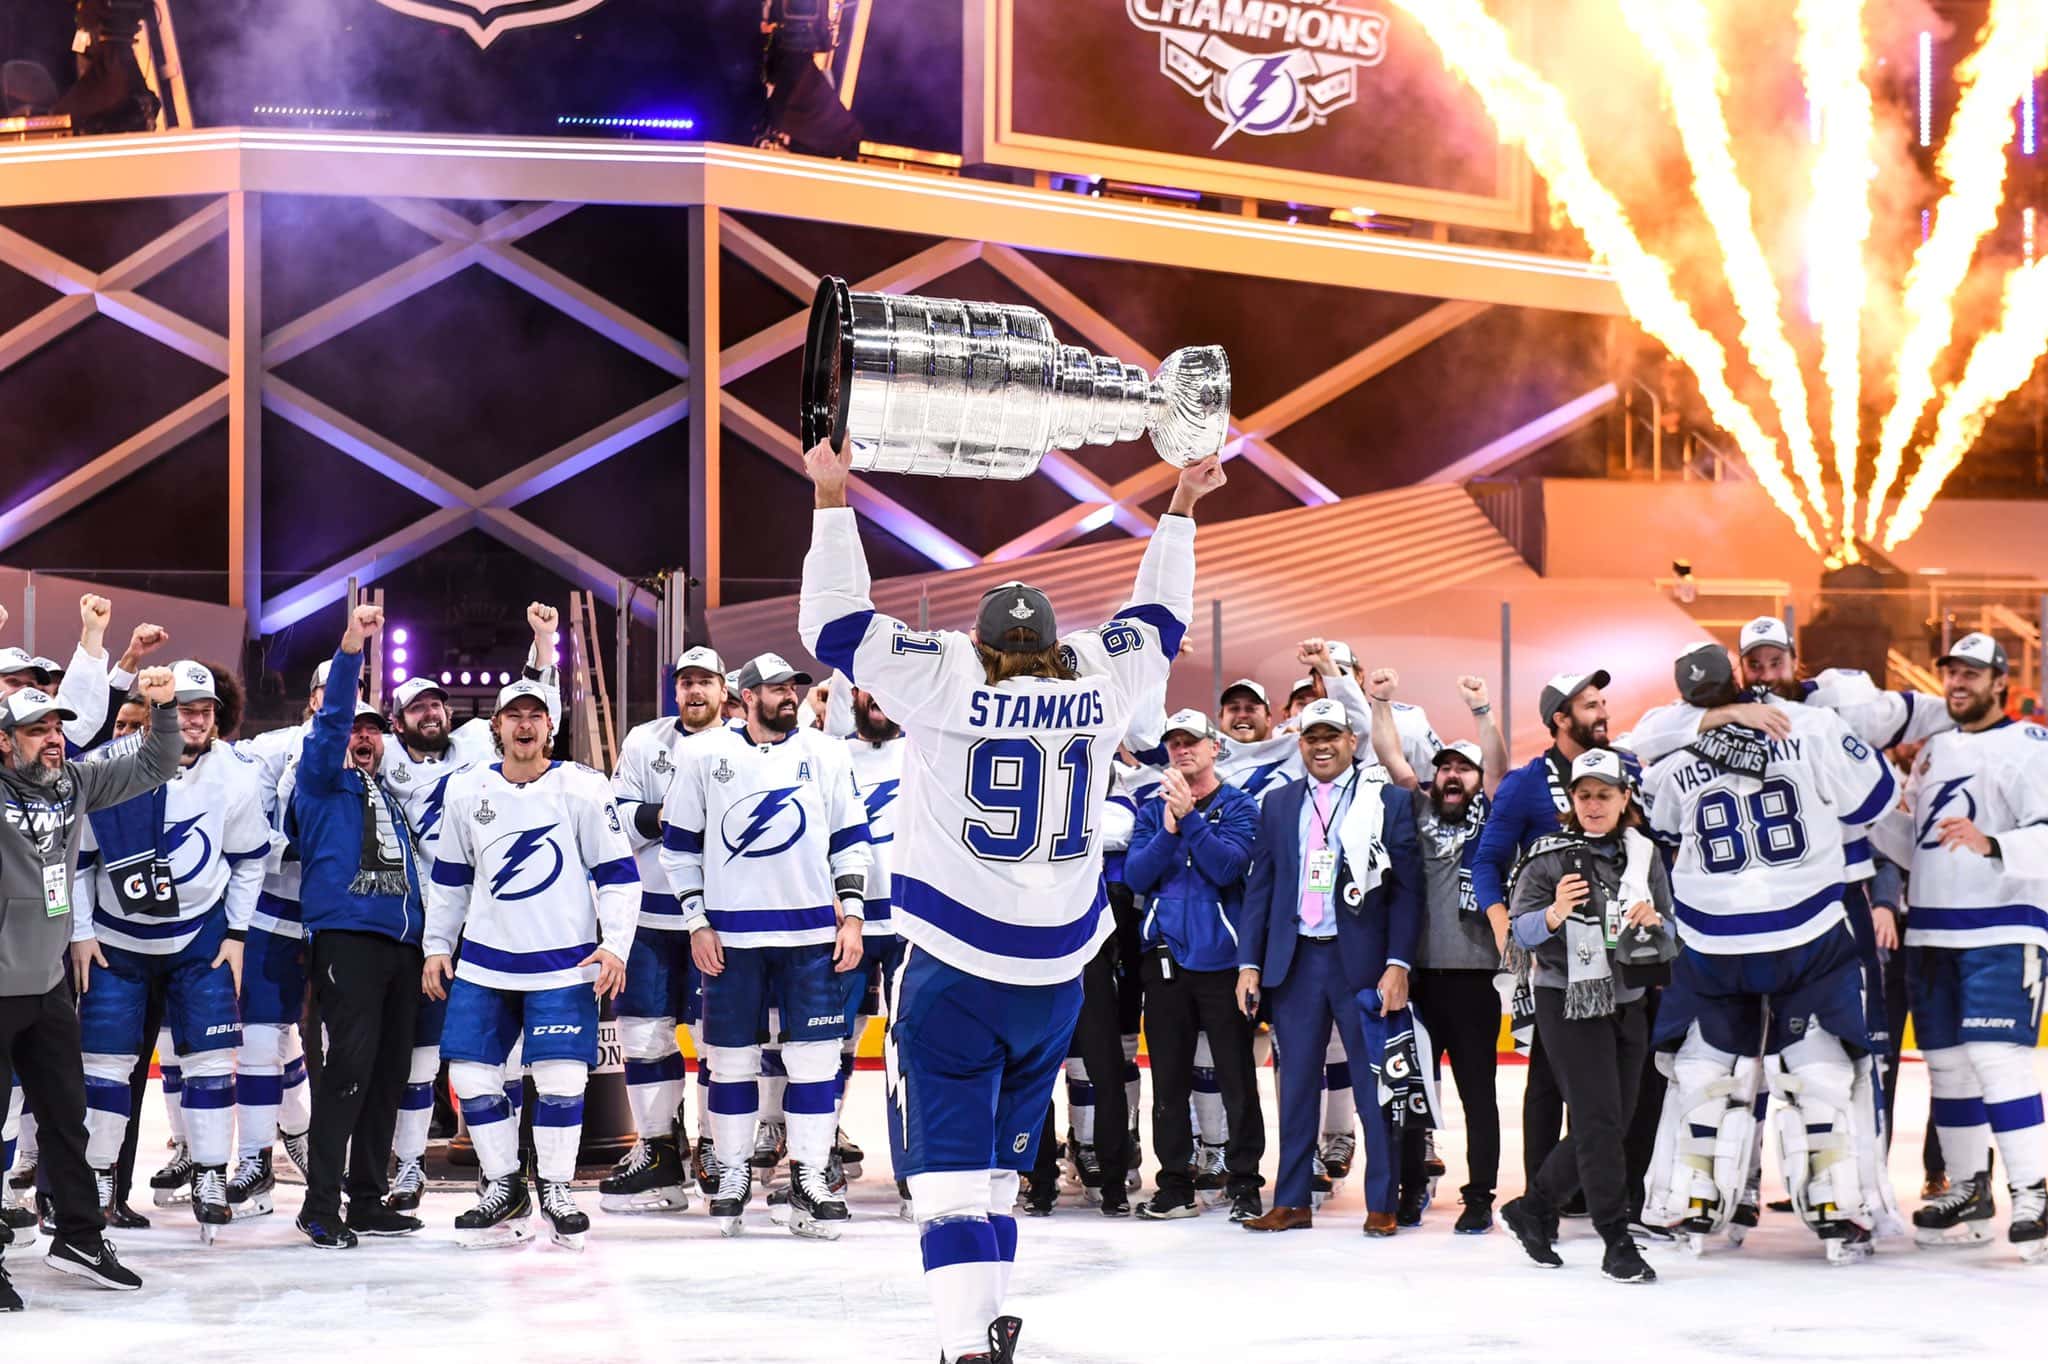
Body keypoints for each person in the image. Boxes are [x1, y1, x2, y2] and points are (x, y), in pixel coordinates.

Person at [800, 437, 1222, 1364]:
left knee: (946, 1180)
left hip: (957, 963)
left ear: (986, 642)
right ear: (1054, 644)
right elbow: (1160, 615)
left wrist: (832, 494)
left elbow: (833, 625)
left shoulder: (949, 672)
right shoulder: (1101, 678)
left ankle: (962, 1346)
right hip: (1057, 975)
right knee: (996, 1173)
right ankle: (989, 1323)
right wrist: (1182, 504)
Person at [1639, 642, 1898, 1263]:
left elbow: (1665, 826)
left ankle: (1695, 1202)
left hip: (1710, 935)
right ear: (1739, 676)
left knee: (1706, 1076)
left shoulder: (1671, 749)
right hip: (1806, 926)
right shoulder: (1810, 724)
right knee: (1820, 1076)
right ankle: (1839, 1207)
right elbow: (1875, 801)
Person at [657, 651, 870, 1240]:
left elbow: (851, 843)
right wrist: (696, 921)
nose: (788, 697)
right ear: (745, 698)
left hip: (810, 937)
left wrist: (851, 915)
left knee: (815, 1061)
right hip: (730, 937)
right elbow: (678, 849)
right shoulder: (703, 754)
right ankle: (729, 1172)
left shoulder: (826, 752)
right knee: (728, 1061)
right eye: (775, 689)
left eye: (792, 688)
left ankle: (808, 1173)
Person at [424, 678, 638, 1251]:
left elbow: (619, 876)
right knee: (470, 1078)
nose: (524, 725)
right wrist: (436, 945)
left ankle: (558, 1188)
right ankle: (505, 1185)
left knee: (563, 1080)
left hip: (564, 964)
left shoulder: (583, 790)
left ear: (551, 725)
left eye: (535, 715)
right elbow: (449, 880)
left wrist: (615, 944)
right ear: (496, 726)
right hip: (486, 963)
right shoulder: (467, 791)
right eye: (513, 715)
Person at [71, 660, 272, 1243]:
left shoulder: (236, 773)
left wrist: (236, 933)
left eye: (206, 710)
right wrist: (81, 931)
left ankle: (210, 1174)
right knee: (104, 1067)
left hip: (198, 937)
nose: (197, 719)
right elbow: (77, 862)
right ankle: (100, 1180)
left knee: (211, 1066)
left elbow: (249, 858)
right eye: (185, 709)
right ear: (163, 712)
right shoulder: (109, 766)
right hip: (115, 938)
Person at [0, 669, 178, 1310]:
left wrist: (161, 707)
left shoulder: (75, 783)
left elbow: (157, 763)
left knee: (65, 1120)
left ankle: (78, 1235)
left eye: (56, 729)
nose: (53, 740)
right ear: (3, 741)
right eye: (36, 731)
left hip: (46, 983)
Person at [1870, 633, 2047, 1263]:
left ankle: (2035, 1190)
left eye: (1972, 673)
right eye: (1951, 673)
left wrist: (1992, 843)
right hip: (1934, 928)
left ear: (2000, 681)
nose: (1958, 683)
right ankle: (1971, 1189)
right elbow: (1910, 839)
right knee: (1945, 1065)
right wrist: (1867, 810)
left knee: (1998, 1058)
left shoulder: (2032, 745)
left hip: (2004, 924)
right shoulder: (1934, 750)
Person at [379, 603, 563, 1209]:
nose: (429, 712)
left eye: (435, 703)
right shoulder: (383, 758)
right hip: (421, 924)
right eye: (416, 706)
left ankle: (498, 1169)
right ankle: (407, 1165)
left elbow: (532, 704)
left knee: (500, 1057)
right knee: (422, 1059)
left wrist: (541, 640)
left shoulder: (475, 752)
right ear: (396, 720)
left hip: (484, 921)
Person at [1235, 698, 1422, 1236]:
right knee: (1295, 1089)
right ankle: (1292, 1199)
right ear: (1300, 744)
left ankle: (1382, 1201)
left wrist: (1398, 963)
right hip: (1296, 964)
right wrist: (1250, 964)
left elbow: (1408, 893)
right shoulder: (1279, 803)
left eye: (1332, 736)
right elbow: (1261, 892)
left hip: (1360, 964)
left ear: (1352, 742)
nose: (1321, 746)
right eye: (1312, 737)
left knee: (1373, 1088)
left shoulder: (1384, 800)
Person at [1501, 748, 1674, 1283]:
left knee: (1614, 1122)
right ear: (1571, 801)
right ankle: (1616, 1240)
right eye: (1584, 795)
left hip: (1628, 1000)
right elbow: (1517, 934)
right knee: (1598, 1120)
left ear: (1625, 798)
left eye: (1605, 794)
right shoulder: (1547, 855)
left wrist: (1653, 924)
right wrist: (1552, 913)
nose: (1594, 804)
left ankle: (1535, 1206)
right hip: (1567, 997)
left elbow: (1673, 932)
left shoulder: (1644, 855)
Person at [288, 605, 430, 1248]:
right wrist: (351, 651)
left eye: (373, 730)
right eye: (353, 728)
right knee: (345, 1073)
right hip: (347, 938)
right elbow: (332, 721)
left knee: (387, 1075)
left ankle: (367, 1199)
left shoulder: (391, 794)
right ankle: (320, 1206)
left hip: (403, 945)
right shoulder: (318, 780)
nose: (361, 736)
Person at [1471, 669, 1625, 1199]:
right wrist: (1502, 927)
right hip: (1551, 953)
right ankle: (1545, 1195)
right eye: (1589, 705)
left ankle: (1596, 1185)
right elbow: (1487, 860)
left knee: (1608, 1075)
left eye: (1603, 702)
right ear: (1561, 719)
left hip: (1615, 950)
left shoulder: (1619, 773)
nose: (1602, 712)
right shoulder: (1526, 782)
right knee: (1547, 1077)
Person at [1371, 676, 1507, 1234]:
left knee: (1479, 1096)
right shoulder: (1418, 807)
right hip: (1419, 980)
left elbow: (1499, 769)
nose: (1453, 776)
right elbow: (1389, 753)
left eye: (1464, 769)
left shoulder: (1496, 815)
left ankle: (1479, 1198)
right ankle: (1410, 1191)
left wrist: (1481, 710)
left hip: (1476, 980)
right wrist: (1378, 702)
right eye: (1446, 767)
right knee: (1408, 1096)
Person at [601, 644, 727, 1215]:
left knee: (719, 1046)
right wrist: (665, 817)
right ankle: (656, 1152)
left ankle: (717, 1152)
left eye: (705, 682)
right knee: (644, 1037)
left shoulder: (741, 747)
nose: (694, 692)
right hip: (649, 917)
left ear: (726, 691)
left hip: (718, 919)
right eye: (685, 683)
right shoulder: (642, 741)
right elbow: (616, 819)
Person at [1123, 708, 1263, 1222]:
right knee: (1169, 1080)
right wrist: (1167, 827)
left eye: (1192, 742)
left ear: (1214, 749)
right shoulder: (1152, 808)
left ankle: (1245, 1181)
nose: (1182, 750)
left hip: (1224, 966)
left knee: (1236, 1078)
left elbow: (1229, 866)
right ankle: (1175, 1183)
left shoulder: (1241, 805)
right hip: (1164, 967)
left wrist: (1191, 820)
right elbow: (1137, 876)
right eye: (1174, 743)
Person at [842, 681, 909, 1210]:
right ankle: (817, 1157)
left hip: (915, 922)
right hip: (849, 922)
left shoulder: (929, 751)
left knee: (914, 1049)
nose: (879, 697)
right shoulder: (830, 756)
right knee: (827, 1045)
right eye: (868, 688)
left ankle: (916, 1168)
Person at [0, 593, 115, 750]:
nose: (24, 691)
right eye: (13, 682)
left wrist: (93, 631)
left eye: (31, 685)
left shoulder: (55, 735)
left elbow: (82, 691)